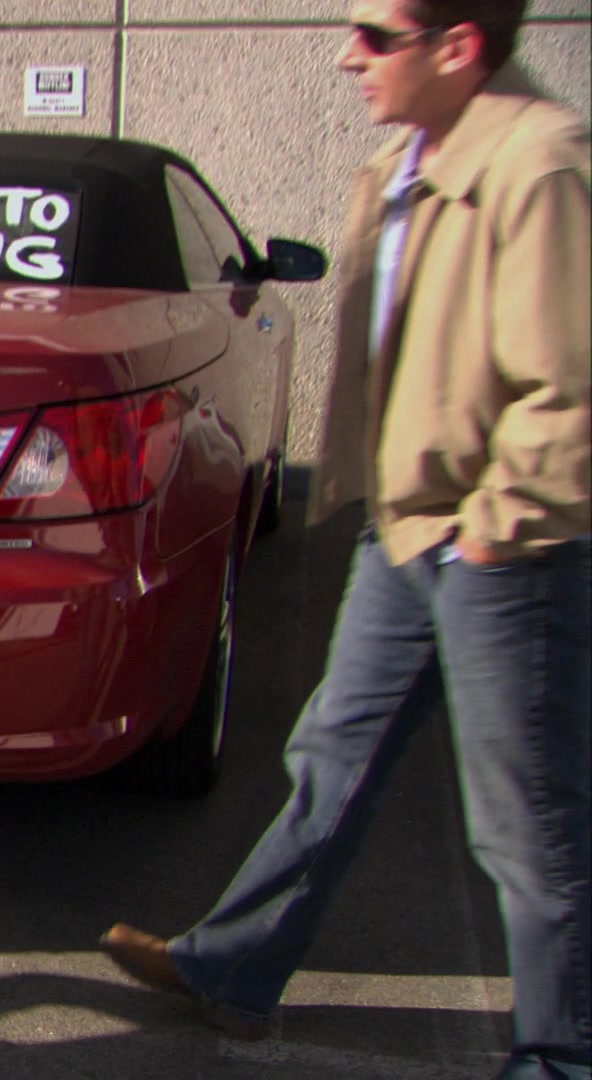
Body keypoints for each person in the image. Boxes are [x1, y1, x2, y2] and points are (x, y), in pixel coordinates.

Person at [99, 1, 591, 1075]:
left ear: (457, 46)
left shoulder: (539, 167)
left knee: (530, 824)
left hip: (499, 545)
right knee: (334, 760)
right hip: (404, 530)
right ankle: (235, 968)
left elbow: (572, 392)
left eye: (377, 35)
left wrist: (495, 533)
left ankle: (561, 1054)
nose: (347, 54)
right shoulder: (399, 169)